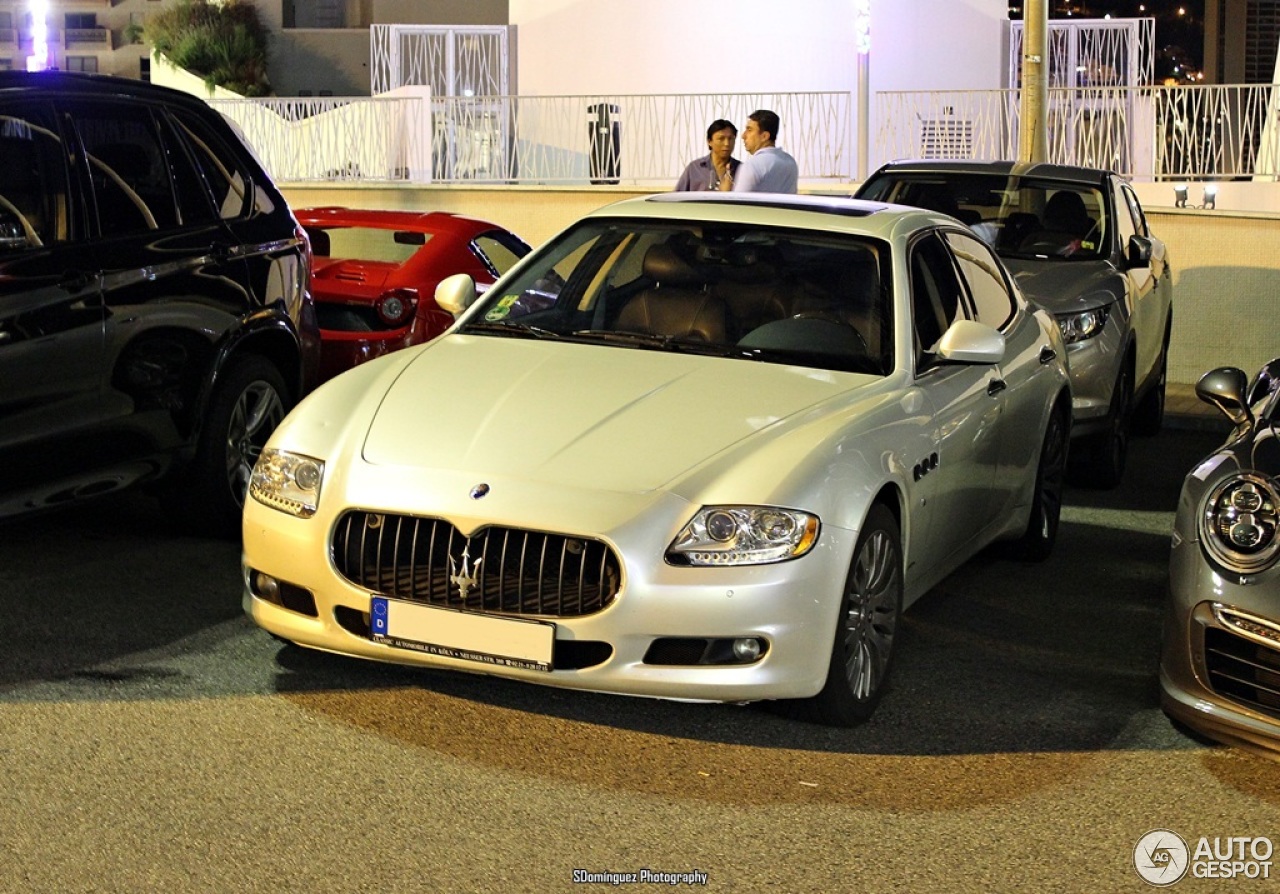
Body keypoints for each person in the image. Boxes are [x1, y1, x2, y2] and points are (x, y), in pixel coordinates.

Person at [721, 109, 798, 194]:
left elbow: (738, 203)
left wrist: (725, 193)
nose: (743, 136)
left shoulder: (752, 165)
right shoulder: (790, 162)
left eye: (749, 130)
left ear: (764, 136)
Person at [674, 119, 741, 191]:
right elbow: (677, 198)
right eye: (721, 139)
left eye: (731, 139)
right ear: (709, 141)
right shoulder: (694, 169)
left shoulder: (741, 169)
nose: (727, 143)